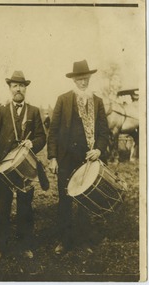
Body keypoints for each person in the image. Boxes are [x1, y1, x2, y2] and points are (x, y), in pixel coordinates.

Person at [47, 60, 109, 255]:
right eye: (80, 79)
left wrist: (98, 149)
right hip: (65, 159)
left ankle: (83, 240)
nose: (83, 82)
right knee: (65, 199)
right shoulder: (63, 99)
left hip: (87, 158)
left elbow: (104, 131)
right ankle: (64, 241)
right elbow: (53, 131)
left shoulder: (97, 102)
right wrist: (52, 157)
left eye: (86, 78)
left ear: (89, 78)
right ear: (74, 80)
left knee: (86, 200)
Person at [0, 71, 46, 260]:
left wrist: (33, 144)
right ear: (10, 89)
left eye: (21, 86)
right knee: (3, 207)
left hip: (25, 167)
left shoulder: (34, 111)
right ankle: (0, 246)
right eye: (14, 86)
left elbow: (42, 137)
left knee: (25, 207)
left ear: (25, 88)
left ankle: (25, 245)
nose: (18, 89)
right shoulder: (2, 111)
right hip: (4, 167)